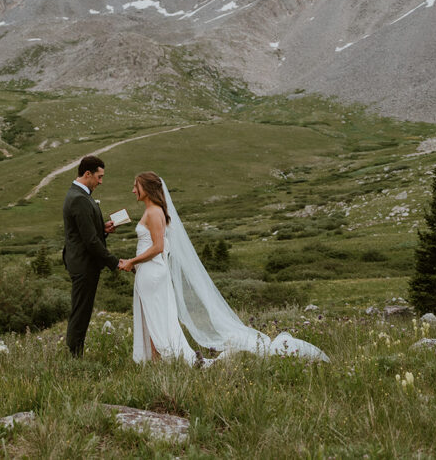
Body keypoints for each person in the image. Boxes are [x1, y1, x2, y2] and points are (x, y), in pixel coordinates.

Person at [119, 172, 329, 364]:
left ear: (147, 188)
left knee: (156, 316)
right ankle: (155, 359)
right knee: (152, 315)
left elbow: (158, 247)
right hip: (148, 270)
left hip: (152, 271)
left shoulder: (154, 212)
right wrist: (135, 263)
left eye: (136, 186)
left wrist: (132, 261)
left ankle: (160, 358)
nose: (133, 190)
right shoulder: (151, 211)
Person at [62, 155, 119, 357]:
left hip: (82, 261)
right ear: (88, 174)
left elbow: (84, 231)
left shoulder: (79, 194)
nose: (101, 181)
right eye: (99, 176)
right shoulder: (79, 198)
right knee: (81, 310)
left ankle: (75, 352)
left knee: (82, 309)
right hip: (83, 264)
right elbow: (90, 241)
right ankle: (74, 355)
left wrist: (102, 229)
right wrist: (114, 262)